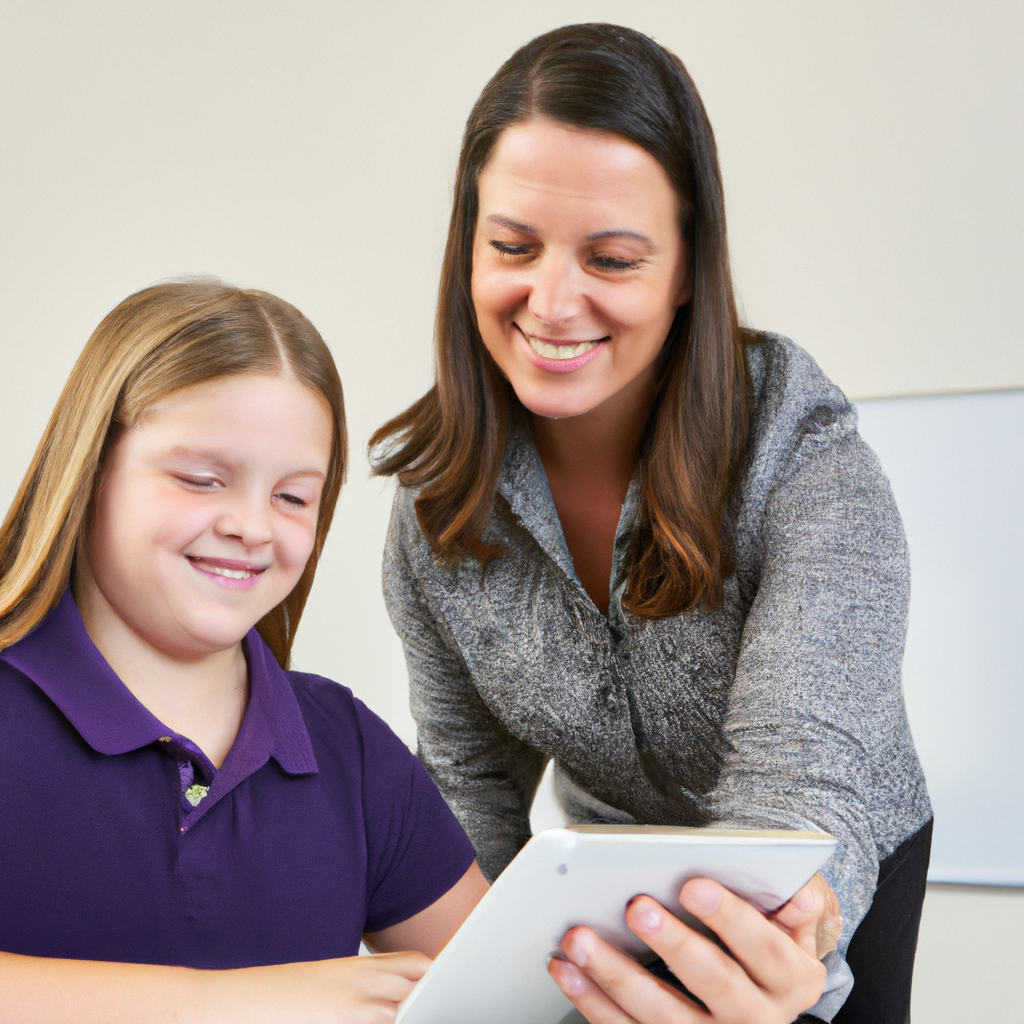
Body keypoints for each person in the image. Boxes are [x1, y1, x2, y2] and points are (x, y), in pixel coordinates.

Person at [372, 23, 932, 1024]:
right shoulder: (434, 511)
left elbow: (800, 789)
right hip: (613, 877)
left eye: (614, 258)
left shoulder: (805, 463)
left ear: (687, 269)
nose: (550, 301)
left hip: (819, 856)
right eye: (510, 246)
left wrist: (764, 964)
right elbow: (466, 795)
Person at [0, 281, 490, 1024]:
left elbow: (504, 990)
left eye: (294, 497)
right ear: (92, 469)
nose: (253, 527)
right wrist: (226, 1004)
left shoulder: (349, 750)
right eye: (203, 479)